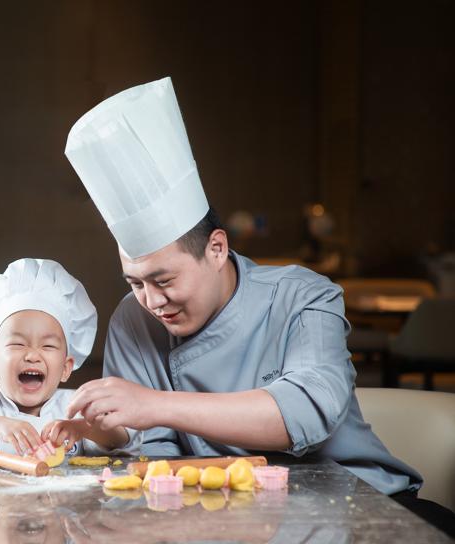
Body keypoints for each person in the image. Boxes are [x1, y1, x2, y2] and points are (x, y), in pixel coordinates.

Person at [63, 77, 454, 536]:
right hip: (217, 521)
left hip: (358, 504)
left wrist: (154, 404)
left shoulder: (303, 295)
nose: (151, 301)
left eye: (164, 280)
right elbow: (157, 459)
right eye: (135, 283)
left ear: (216, 249)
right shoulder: (133, 319)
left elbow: (309, 411)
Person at [0, 258, 140, 457]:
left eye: (48, 345)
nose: (33, 355)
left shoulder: (74, 406)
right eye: (17, 343)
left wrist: (83, 428)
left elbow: (122, 438)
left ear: (66, 367)